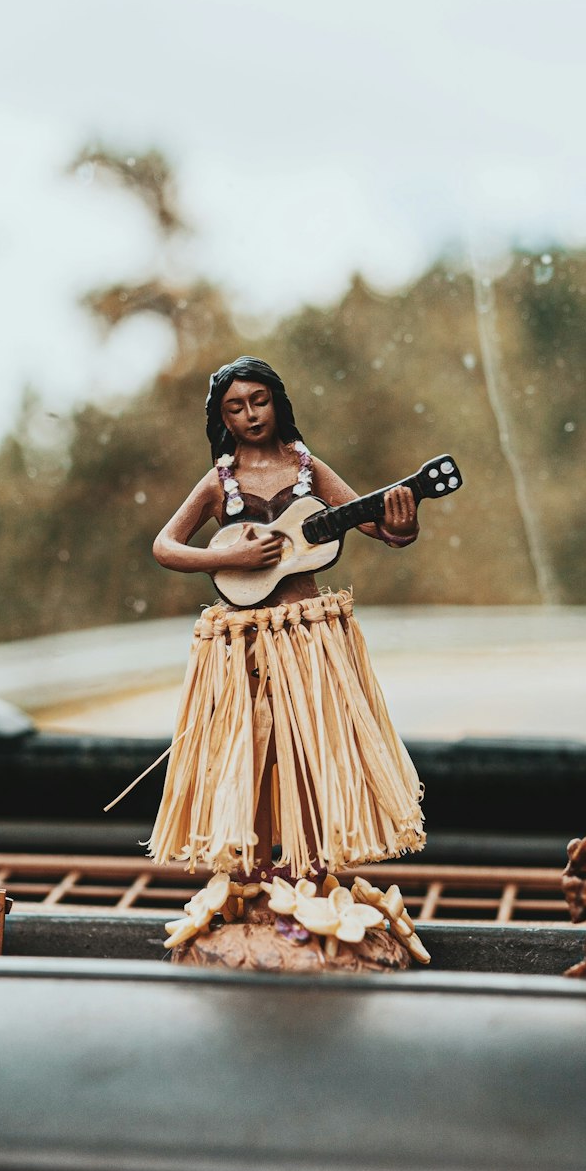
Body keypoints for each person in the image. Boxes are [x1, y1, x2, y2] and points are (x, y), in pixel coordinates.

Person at [148, 355, 426, 879]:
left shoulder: (308, 468)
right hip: (244, 643)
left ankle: (312, 874)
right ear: (221, 419)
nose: (251, 415)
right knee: (251, 751)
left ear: (277, 402)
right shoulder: (218, 482)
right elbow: (166, 546)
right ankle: (249, 876)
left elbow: (371, 526)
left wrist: (401, 524)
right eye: (236, 407)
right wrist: (230, 558)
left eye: (259, 401)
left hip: (308, 635)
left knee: (310, 750)